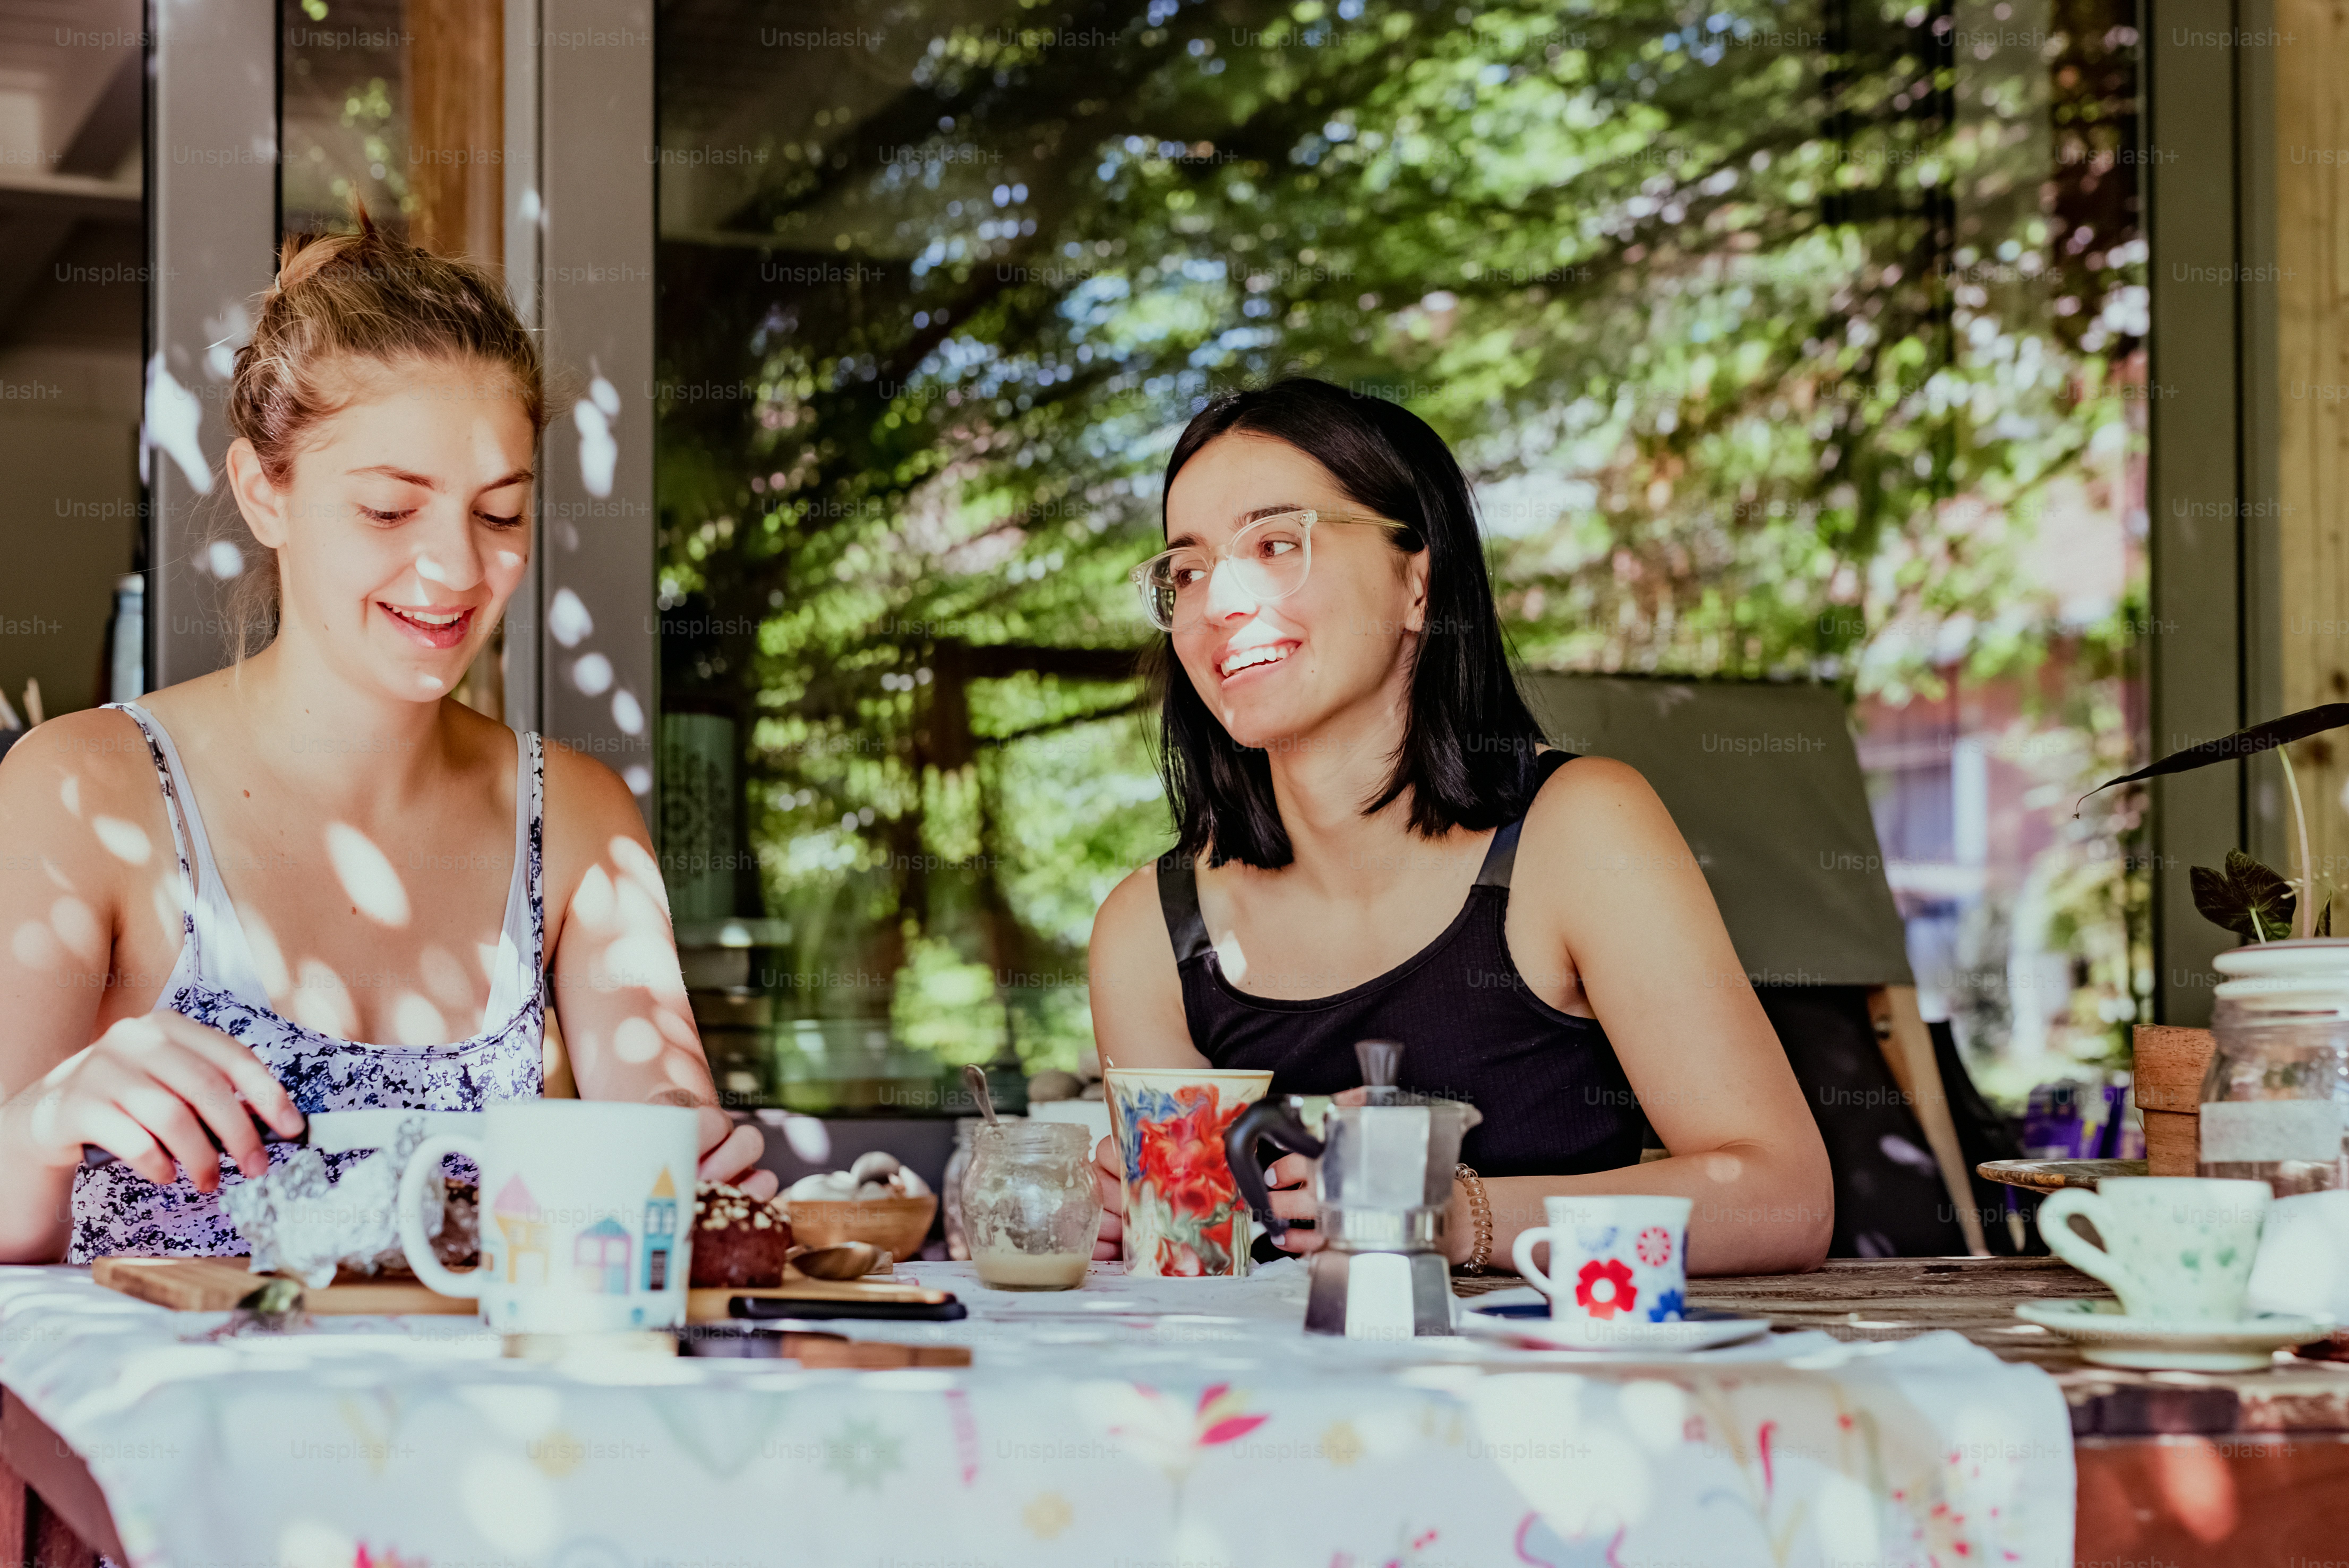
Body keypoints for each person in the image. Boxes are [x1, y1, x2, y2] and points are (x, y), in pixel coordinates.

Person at [0, 211, 773, 1265]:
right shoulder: (83, 790)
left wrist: (702, 1190)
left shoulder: (579, 817)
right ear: (263, 490)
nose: (456, 570)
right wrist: (45, 1125)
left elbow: (670, 1184)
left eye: (499, 516)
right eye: (387, 510)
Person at [1086, 379, 1832, 1276]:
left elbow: (1780, 1196)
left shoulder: (1578, 833)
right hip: (1282, 1411)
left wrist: (1442, 1216)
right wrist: (1130, 1224)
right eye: (1189, 569)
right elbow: (1201, 1270)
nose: (1218, 603)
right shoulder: (1150, 932)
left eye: (1277, 543)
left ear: (1418, 581)